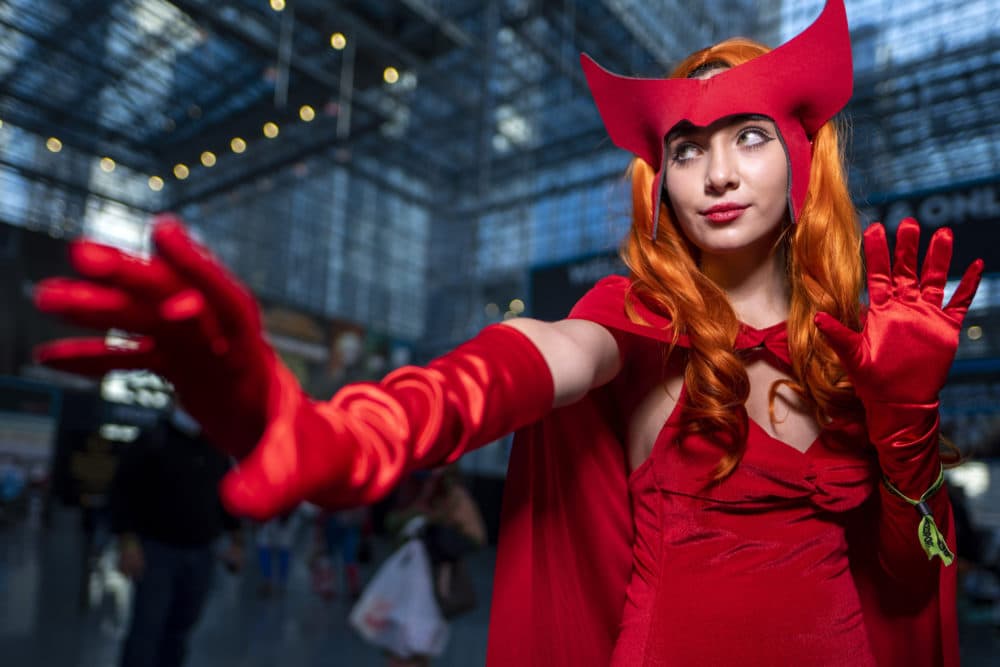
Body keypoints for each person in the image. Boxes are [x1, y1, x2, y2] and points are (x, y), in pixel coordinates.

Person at [34, 1, 980, 664]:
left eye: (749, 136)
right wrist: (354, 431)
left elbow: (908, 577)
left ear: (803, 159)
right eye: (687, 149)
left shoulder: (853, 350)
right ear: (663, 181)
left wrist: (906, 425)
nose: (717, 173)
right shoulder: (634, 318)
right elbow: (532, 353)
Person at [110, 406, 244, 667]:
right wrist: (127, 541)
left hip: (201, 553)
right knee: (146, 630)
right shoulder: (152, 440)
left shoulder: (214, 445)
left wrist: (237, 541)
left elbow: (226, 494)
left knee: (180, 631)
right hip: (156, 551)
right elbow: (122, 492)